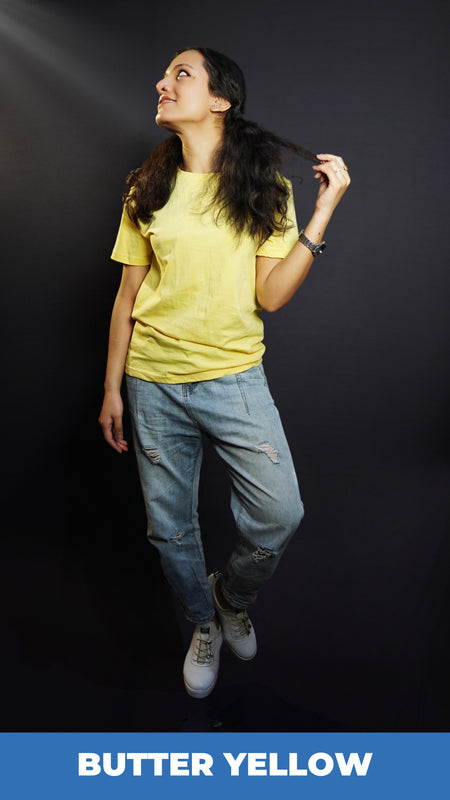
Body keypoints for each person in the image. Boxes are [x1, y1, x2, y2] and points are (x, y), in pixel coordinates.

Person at [99, 46, 350, 699]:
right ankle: (203, 621)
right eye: (163, 74)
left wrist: (320, 215)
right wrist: (111, 391)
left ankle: (230, 598)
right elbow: (126, 299)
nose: (162, 82)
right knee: (168, 528)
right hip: (151, 380)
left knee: (279, 513)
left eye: (180, 73)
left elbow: (270, 296)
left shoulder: (266, 189)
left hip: (232, 378)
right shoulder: (144, 188)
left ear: (220, 100)